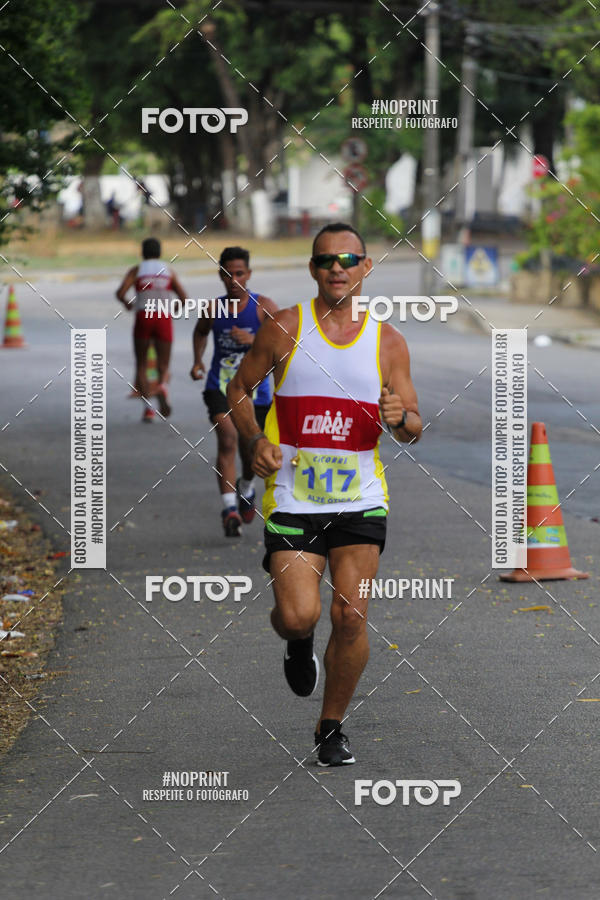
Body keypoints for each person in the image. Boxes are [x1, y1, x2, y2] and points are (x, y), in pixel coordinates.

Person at [227, 222, 422, 766]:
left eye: (348, 259)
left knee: (352, 616)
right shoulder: (285, 328)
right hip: (293, 498)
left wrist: (400, 417)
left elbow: (412, 425)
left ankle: (331, 726)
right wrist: (250, 439)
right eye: (325, 260)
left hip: (360, 499)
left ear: (365, 267)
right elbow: (237, 388)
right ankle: (296, 642)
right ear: (313, 269)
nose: (337, 268)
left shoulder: (388, 342)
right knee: (298, 617)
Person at [190, 247, 278, 537]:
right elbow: (201, 332)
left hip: (258, 392)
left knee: (249, 447)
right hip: (220, 385)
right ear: (221, 276)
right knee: (227, 438)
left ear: (249, 275)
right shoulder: (213, 309)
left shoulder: (263, 307)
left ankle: (246, 486)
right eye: (228, 274)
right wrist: (198, 360)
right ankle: (229, 509)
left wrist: (254, 339)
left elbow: (285, 345)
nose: (234, 279)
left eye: (239, 273)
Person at [116, 237, 187, 422]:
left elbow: (120, 292)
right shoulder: (168, 271)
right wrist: (173, 311)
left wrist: (127, 304)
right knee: (163, 363)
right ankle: (162, 386)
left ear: (142, 252)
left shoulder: (137, 270)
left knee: (141, 363)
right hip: (163, 317)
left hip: (143, 316)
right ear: (160, 252)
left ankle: (149, 409)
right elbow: (184, 298)